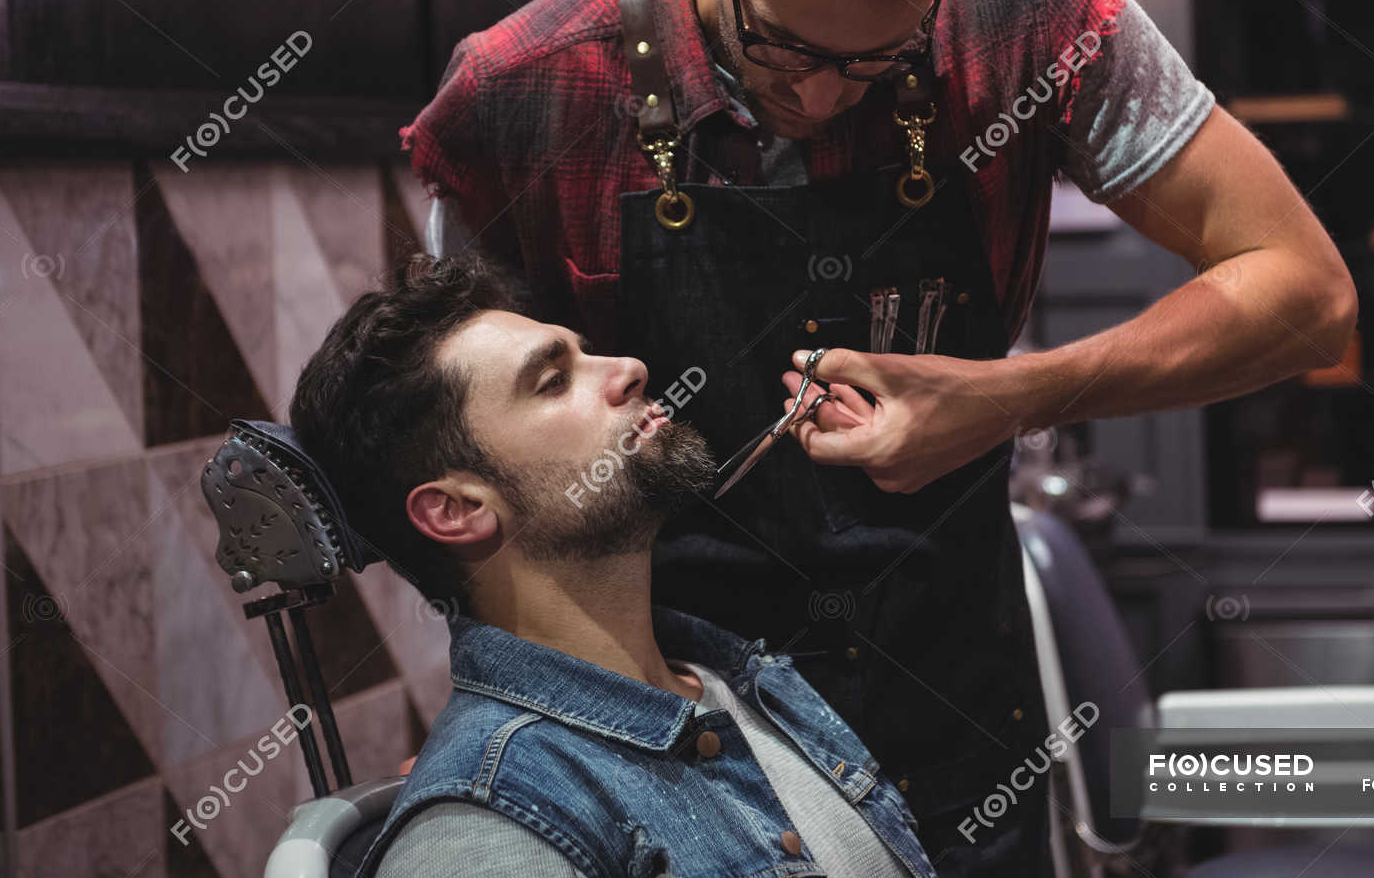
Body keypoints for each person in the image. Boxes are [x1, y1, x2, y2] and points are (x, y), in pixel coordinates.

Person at [402, 0, 1357, 873]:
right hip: (685, 770)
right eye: (778, 46)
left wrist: (1007, 397)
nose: (815, 97)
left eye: (874, 63)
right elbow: (470, 459)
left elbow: (1307, 294)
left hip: (957, 720)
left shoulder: (1021, 0)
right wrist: (494, 727)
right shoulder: (526, 93)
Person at [289, 251, 939, 878]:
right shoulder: (490, 836)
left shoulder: (742, 682)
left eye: (583, 350)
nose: (629, 366)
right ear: (456, 510)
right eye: (553, 380)